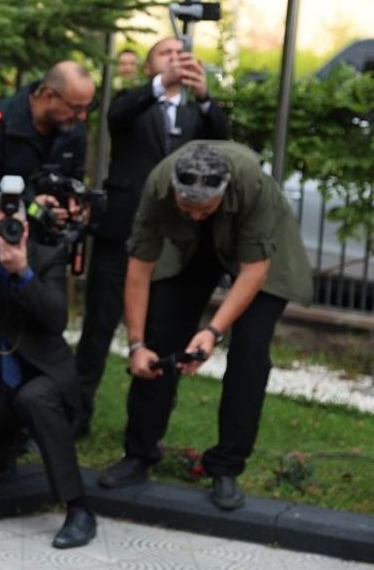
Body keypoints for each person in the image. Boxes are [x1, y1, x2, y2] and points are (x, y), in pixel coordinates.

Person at [98, 141, 313, 511]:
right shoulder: (159, 184)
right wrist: (136, 344)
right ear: (176, 193)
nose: (196, 215)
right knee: (160, 333)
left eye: (205, 208)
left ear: (223, 192)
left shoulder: (251, 184)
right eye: (187, 207)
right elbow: (140, 266)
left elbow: (254, 270)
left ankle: (227, 466)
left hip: (261, 256)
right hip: (190, 251)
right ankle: (138, 453)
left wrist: (212, 332)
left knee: (249, 353)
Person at [75, 36, 229, 435]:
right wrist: (162, 84)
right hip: (122, 233)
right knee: (99, 328)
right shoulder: (135, 102)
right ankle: (76, 417)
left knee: (164, 332)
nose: (176, 61)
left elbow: (223, 142)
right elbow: (117, 116)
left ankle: (146, 427)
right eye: (165, 55)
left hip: (174, 244)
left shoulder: (198, 114)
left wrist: (205, 96)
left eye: (182, 55)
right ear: (149, 68)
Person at [0, 193, 95, 549]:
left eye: (9, 225)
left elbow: (57, 320)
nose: (1, 233)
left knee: (35, 399)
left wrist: (22, 272)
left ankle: (79, 507)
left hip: (42, 374)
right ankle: (5, 452)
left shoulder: (46, 256)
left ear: (25, 226)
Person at [0, 61, 95, 230]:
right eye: (76, 108)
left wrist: (74, 203)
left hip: (51, 242)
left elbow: (75, 179)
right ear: (48, 96)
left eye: (87, 107)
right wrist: (26, 204)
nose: (82, 116)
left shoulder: (74, 131)